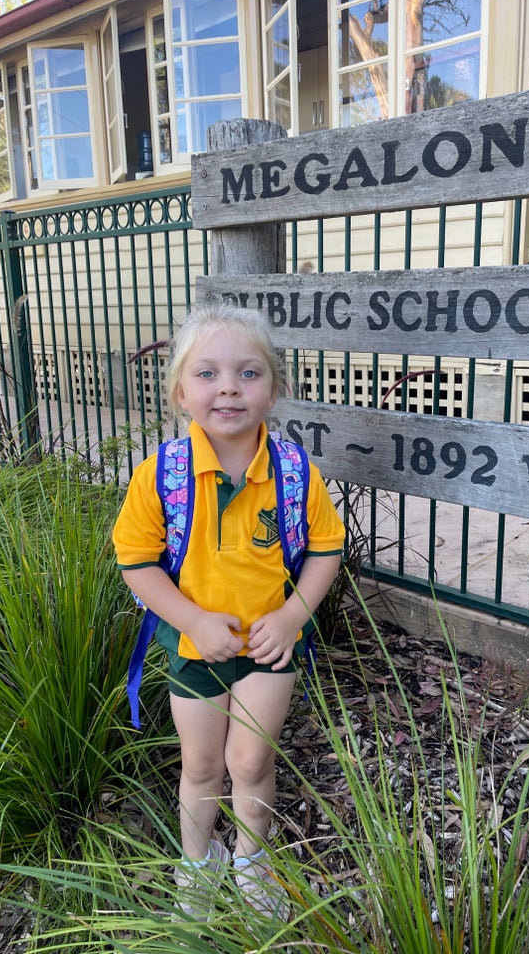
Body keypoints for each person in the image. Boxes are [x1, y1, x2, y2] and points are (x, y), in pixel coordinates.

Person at [112, 301, 345, 921]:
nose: (229, 389)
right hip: (194, 651)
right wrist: (190, 620)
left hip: (270, 648)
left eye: (249, 373)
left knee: (251, 760)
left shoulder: (296, 473)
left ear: (275, 388)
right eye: (208, 374)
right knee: (202, 764)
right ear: (180, 392)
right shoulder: (161, 476)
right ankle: (197, 862)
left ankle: (251, 859)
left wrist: (294, 615)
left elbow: (325, 548)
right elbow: (135, 561)